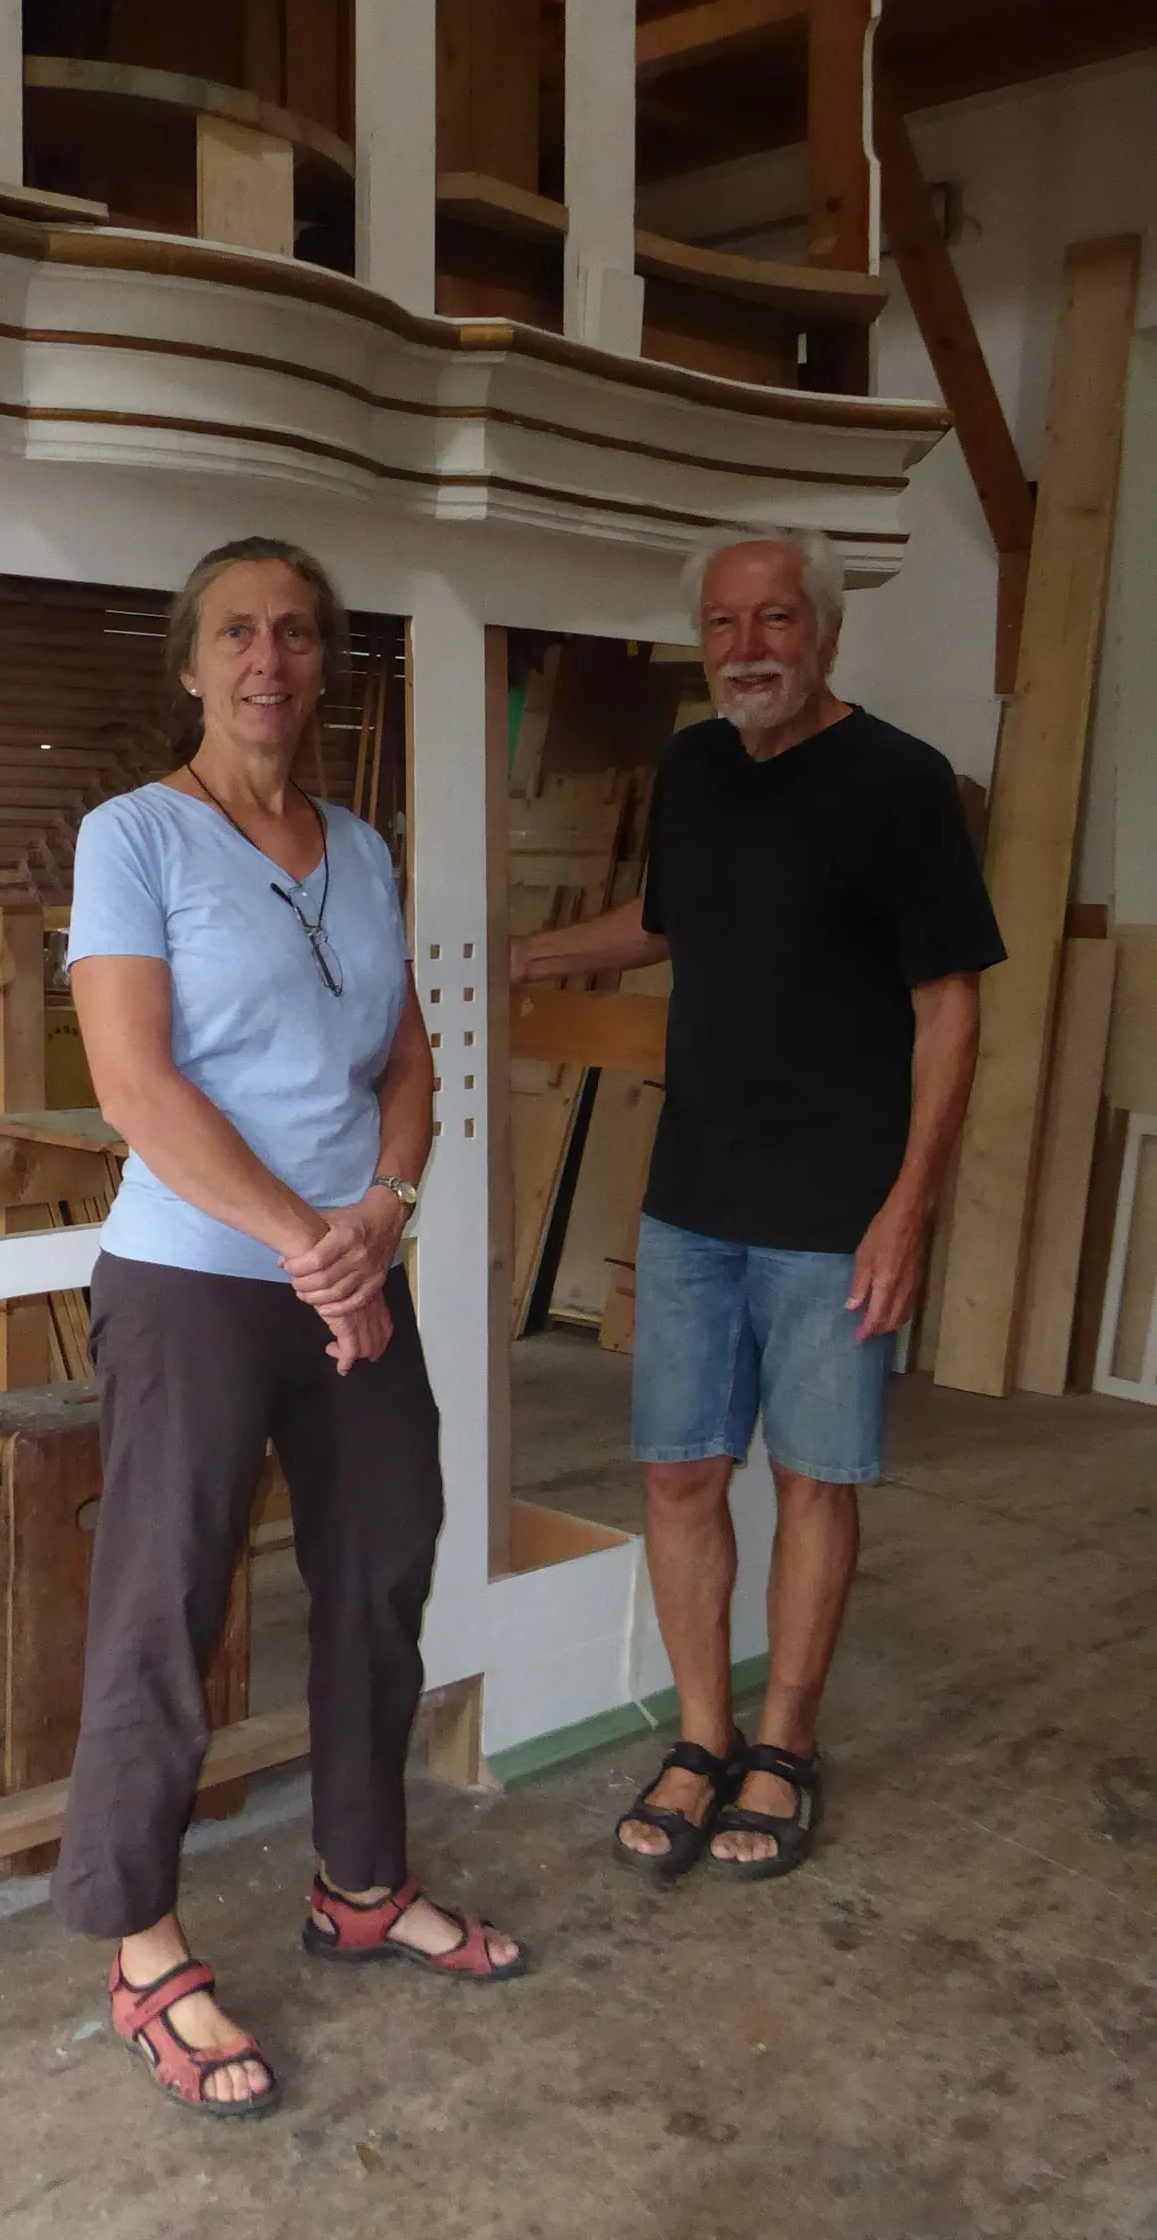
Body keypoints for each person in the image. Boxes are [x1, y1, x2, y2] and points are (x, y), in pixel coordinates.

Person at [52, 535, 523, 2125]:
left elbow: (405, 1061)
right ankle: (140, 1947)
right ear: (191, 663)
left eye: (298, 634)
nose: (269, 660)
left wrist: (382, 1207)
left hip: (347, 1267)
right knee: (165, 1600)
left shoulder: (362, 850)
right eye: (238, 632)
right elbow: (136, 1085)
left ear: (324, 663)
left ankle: (361, 1884)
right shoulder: (134, 836)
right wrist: (308, 1243)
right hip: (195, 1276)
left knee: (381, 1565)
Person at [512, 529, 1005, 1884]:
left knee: (809, 1480)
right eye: (724, 623)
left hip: (836, 1213)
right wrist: (521, 952)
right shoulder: (693, 767)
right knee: (679, 1473)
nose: (746, 647)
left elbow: (947, 1004)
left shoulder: (901, 783)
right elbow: (669, 919)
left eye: (774, 619)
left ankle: (784, 1743)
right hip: (692, 1201)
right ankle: (700, 1735)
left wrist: (907, 1208)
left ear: (824, 632)